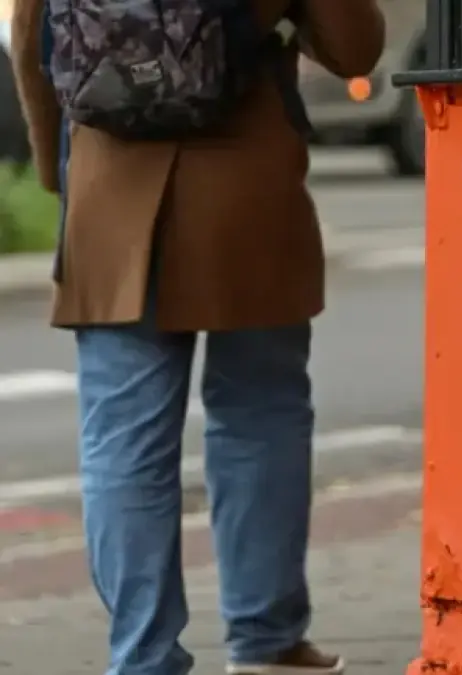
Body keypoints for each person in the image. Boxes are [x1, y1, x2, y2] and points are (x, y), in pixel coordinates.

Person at [9, 0, 385, 671]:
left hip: (109, 188)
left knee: (124, 441)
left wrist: (59, 172)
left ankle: (144, 657)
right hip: (246, 188)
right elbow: (355, 48)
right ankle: (266, 640)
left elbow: (30, 34)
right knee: (261, 414)